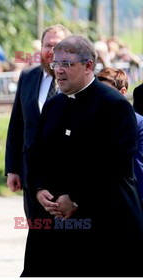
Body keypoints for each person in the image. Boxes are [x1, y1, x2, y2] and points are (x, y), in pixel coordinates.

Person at [22, 35, 143, 276]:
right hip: (52, 224)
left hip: (104, 226)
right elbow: (35, 154)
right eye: (56, 64)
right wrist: (38, 188)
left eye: (67, 64)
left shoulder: (114, 106)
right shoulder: (54, 105)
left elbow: (115, 165)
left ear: (88, 66)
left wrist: (76, 198)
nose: (59, 71)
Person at [5, 24, 71, 219]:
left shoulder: (75, 80)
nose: (51, 51)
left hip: (66, 178)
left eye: (57, 46)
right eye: (47, 45)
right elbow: (17, 124)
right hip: (31, 178)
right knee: (37, 237)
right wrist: (12, 169)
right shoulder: (28, 77)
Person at [97, 67, 143, 201]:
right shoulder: (86, 120)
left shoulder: (138, 124)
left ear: (122, 92)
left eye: (106, 92)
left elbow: (140, 169)